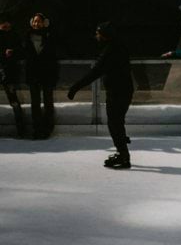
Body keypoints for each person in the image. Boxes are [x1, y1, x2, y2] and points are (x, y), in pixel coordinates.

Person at [67, 21, 134, 169]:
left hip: (117, 92)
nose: (96, 36)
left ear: (105, 36)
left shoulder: (110, 50)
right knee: (117, 122)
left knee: (114, 123)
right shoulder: (118, 46)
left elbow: (95, 72)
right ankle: (122, 151)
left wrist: (75, 87)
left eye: (98, 33)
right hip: (124, 90)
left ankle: (123, 155)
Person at [23, 12, 59, 139]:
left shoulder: (50, 37)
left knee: (48, 102)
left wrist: (54, 76)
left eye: (39, 21)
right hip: (33, 75)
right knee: (35, 103)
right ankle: (37, 129)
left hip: (47, 75)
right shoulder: (26, 36)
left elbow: (54, 58)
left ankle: (47, 129)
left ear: (44, 23)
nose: (36, 24)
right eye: (34, 21)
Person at [0, 18, 25, 137]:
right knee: (14, 100)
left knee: (14, 100)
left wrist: (13, 52)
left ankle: (21, 130)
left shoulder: (14, 35)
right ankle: (21, 130)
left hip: (8, 72)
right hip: (6, 70)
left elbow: (21, 50)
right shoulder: (12, 35)